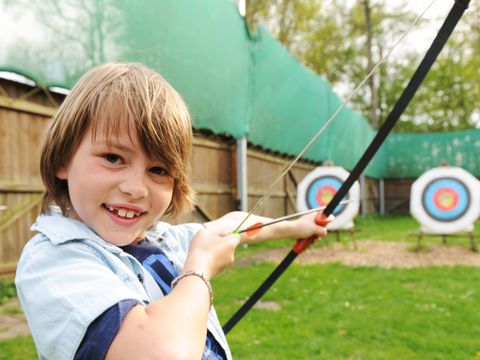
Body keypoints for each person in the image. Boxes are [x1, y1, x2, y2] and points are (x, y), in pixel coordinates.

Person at [15, 63, 330, 360]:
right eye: (113, 158)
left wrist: (300, 225)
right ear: (62, 159)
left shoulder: (164, 239)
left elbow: (236, 224)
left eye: (158, 169)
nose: (136, 188)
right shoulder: (52, 261)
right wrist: (199, 270)